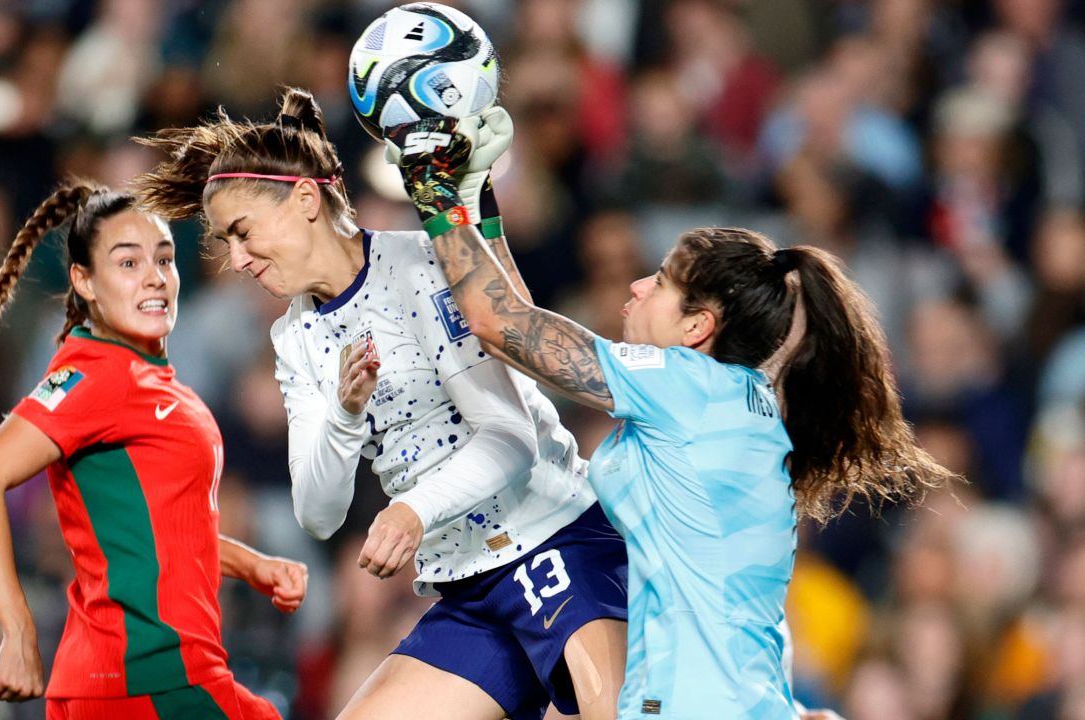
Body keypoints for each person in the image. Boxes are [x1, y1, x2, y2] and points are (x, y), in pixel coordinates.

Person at [381, 114, 956, 719]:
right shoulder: (735, 400)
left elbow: (499, 324)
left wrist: (434, 189)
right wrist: (477, 194)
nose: (634, 286)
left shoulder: (688, 387)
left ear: (697, 326)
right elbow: (516, 322)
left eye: (658, 282)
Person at [132, 88, 629, 720]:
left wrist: (412, 512)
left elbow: (509, 437)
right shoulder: (295, 339)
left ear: (305, 200)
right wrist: (343, 415)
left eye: (242, 231)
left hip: (557, 543)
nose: (234, 259)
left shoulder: (421, 266)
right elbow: (317, 513)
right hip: (469, 587)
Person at [0, 182, 307, 719]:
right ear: (85, 281)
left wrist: (251, 564)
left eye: (164, 259)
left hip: (152, 676)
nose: (154, 276)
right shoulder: (93, 375)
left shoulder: (154, 381)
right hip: (140, 680)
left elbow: (156, 532)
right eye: (128, 263)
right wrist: (19, 630)